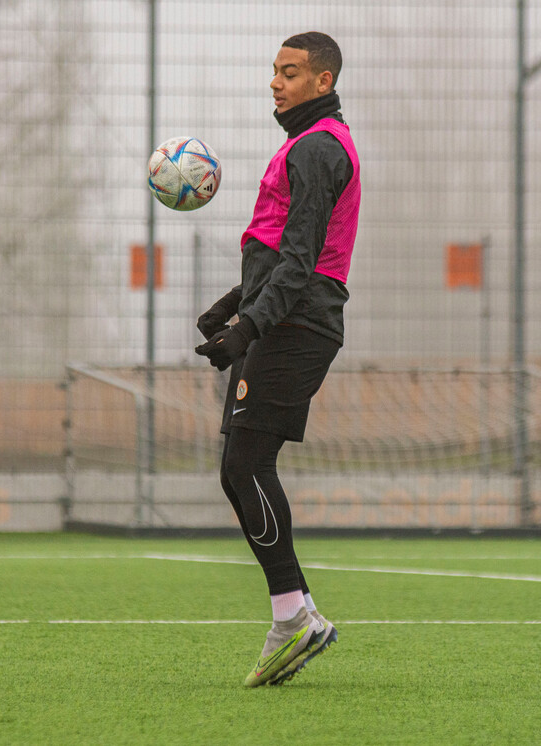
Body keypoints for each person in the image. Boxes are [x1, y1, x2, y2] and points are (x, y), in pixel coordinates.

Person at [194, 31, 360, 687]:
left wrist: (249, 325)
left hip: (298, 321)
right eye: (274, 70)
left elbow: (301, 261)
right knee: (238, 468)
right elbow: (277, 250)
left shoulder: (319, 149)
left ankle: (295, 614)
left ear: (323, 81)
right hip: (282, 315)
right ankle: (293, 611)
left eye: (290, 72)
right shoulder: (304, 144)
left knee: (245, 462)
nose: (276, 81)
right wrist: (232, 305)